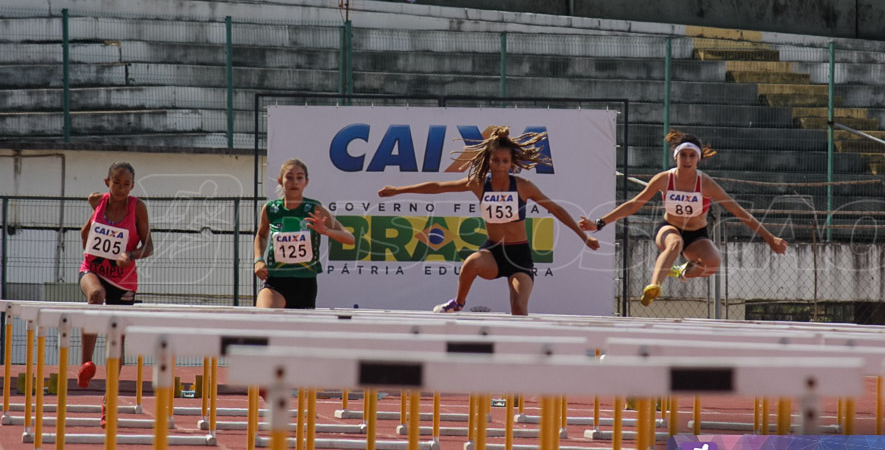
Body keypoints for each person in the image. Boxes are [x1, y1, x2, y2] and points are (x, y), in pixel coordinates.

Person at [377, 127, 599, 315]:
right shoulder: (479, 184)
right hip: (492, 252)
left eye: (505, 161)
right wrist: (398, 190)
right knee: (471, 263)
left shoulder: (523, 186)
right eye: (496, 160)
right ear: (488, 160)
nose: (500, 165)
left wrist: (584, 236)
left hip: (519, 256)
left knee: (519, 310)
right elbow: (438, 187)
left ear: (512, 163)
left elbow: (556, 209)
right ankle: (458, 303)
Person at [579, 129, 787, 306]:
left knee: (713, 262)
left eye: (691, 156)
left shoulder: (705, 184)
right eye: (683, 155)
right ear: (676, 157)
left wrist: (769, 238)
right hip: (668, 228)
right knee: (675, 243)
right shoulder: (664, 179)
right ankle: (654, 286)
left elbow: (739, 211)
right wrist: (599, 222)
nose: (687, 160)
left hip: (696, 234)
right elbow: (634, 204)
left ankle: (682, 273)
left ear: (698, 159)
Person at [78, 162, 153, 426]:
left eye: (127, 184)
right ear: (106, 182)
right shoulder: (97, 201)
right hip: (94, 269)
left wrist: (129, 255)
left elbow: (149, 247)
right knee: (95, 296)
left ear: (132, 186)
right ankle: (86, 364)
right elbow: (84, 235)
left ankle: (109, 401)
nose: (121, 188)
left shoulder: (137, 207)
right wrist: (95, 233)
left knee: (117, 340)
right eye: (116, 182)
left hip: (123, 280)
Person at [254, 159, 355, 309]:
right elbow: (261, 235)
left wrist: (325, 231)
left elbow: (350, 239)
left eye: (299, 177)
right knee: (266, 317)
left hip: (304, 283)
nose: (294, 182)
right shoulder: (271, 209)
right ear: (280, 181)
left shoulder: (314, 208)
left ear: (306, 182)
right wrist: (259, 260)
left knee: (297, 330)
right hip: (275, 280)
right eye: (289, 177)